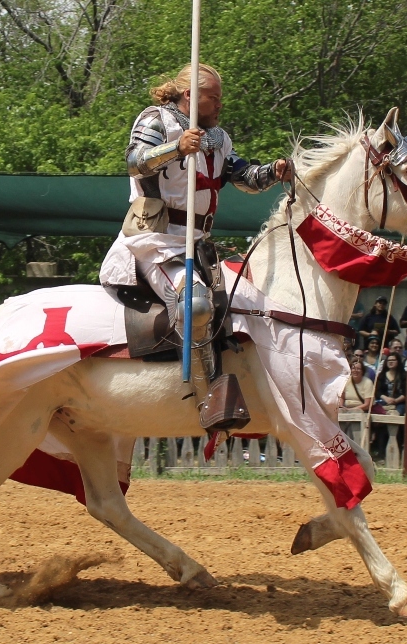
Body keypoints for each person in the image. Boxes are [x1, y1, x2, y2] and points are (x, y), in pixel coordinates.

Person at [97, 63, 290, 428]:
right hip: (155, 239)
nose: (219, 104)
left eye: (220, 98)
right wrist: (176, 147)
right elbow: (135, 163)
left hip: (198, 244)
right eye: (212, 97)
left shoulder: (218, 137)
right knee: (196, 305)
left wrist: (273, 171)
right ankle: (209, 397)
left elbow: (244, 176)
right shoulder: (156, 120)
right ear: (190, 96)